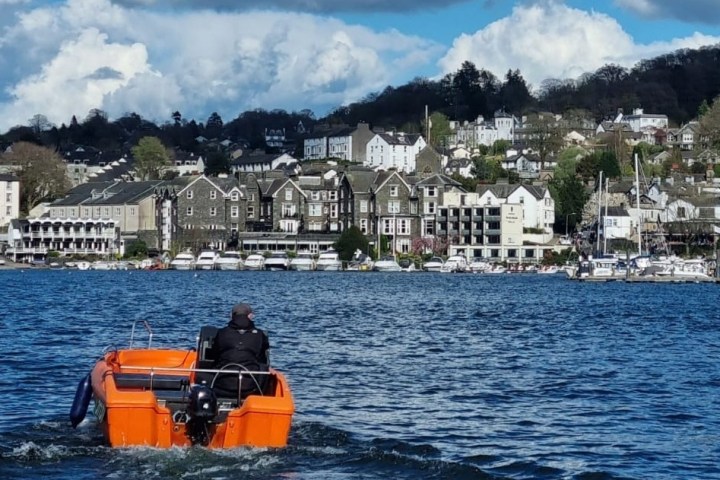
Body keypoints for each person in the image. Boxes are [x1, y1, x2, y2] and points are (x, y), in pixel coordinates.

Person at [213, 303, 270, 398]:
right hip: (251, 387)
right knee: (263, 367)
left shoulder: (221, 333)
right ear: (250, 316)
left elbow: (214, 356)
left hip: (223, 385)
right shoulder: (260, 335)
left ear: (231, 316)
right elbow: (263, 359)